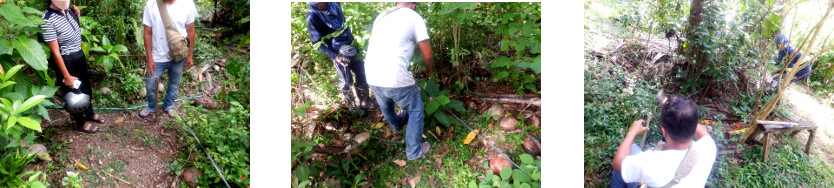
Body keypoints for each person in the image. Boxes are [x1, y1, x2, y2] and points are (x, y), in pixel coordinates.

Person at [364, 2, 435, 160]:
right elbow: (428, 55)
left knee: (386, 104)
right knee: (416, 110)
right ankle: (413, 151)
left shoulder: (382, 16)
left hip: (372, 75)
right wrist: (427, 72)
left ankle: (396, 125)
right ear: (413, 5)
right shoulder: (413, 17)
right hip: (395, 77)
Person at [611, 96, 716, 187]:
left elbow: (617, 164)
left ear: (664, 131)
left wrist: (632, 132)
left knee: (632, 148)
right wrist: (681, 114)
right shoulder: (708, 149)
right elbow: (701, 132)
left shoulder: (652, 163)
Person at [41, 0, 105, 133]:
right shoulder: (47, 20)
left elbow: (73, 33)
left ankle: (89, 113)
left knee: (85, 86)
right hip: (66, 60)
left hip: (79, 55)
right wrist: (66, 76)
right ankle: (80, 123)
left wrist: (77, 17)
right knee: (74, 92)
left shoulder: (68, 10)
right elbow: (55, 53)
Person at [306, 2, 373, 111]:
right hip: (338, 53)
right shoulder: (312, 16)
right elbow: (317, 44)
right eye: (315, 3)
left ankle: (365, 102)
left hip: (351, 45)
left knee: (361, 72)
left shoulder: (334, 4)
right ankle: (352, 108)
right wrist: (335, 56)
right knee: (346, 81)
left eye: (320, 1)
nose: (318, 4)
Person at [139, 0, 197, 118]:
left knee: (174, 83)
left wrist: (190, 55)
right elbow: (147, 32)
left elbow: (190, 30)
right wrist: (149, 58)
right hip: (157, 56)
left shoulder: (187, 3)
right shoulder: (151, 4)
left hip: (179, 54)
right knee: (150, 84)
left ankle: (169, 105)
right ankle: (151, 106)